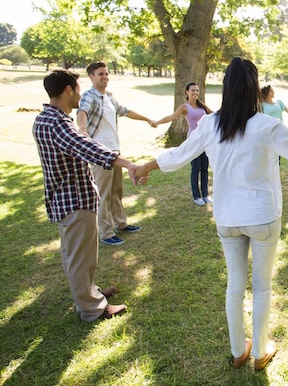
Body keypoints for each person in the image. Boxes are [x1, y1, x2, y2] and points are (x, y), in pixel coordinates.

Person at [134, 57, 288, 370]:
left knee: (235, 285)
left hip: (227, 218)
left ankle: (240, 351)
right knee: (261, 286)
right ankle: (259, 351)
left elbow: (178, 155)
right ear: (253, 87)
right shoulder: (265, 126)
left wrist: (145, 167)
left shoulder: (211, 124)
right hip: (262, 217)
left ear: (226, 88)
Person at [33, 69, 139, 321]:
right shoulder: (57, 123)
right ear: (69, 90)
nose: (79, 94)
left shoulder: (44, 119)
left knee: (79, 253)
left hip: (67, 199)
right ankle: (91, 308)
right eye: (77, 89)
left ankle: (90, 293)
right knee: (79, 257)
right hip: (73, 200)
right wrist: (127, 164)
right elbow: (86, 147)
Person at [77, 61, 157, 246]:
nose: (105, 77)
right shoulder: (89, 96)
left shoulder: (109, 97)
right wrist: (82, 128)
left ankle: (121, 223)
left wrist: (147, 119)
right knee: (103, 194)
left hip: (114, 152)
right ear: (91, 77)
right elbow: (82, 112)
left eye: (106, 74)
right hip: (99, 153)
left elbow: (125, 111)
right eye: (100, 74)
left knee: (116, 191)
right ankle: (105, 233)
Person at [155, 82, 213, 206]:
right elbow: (172, 117)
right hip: (193, 141)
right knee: (195, 168)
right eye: (193, 90)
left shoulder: (202, 106)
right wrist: (157, 122)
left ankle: (205, 194)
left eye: (197, 91)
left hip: (205, 141)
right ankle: (197, 196)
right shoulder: (184, 107)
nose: (195, 93)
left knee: (205, 168)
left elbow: (215, 115)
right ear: (187, 92)